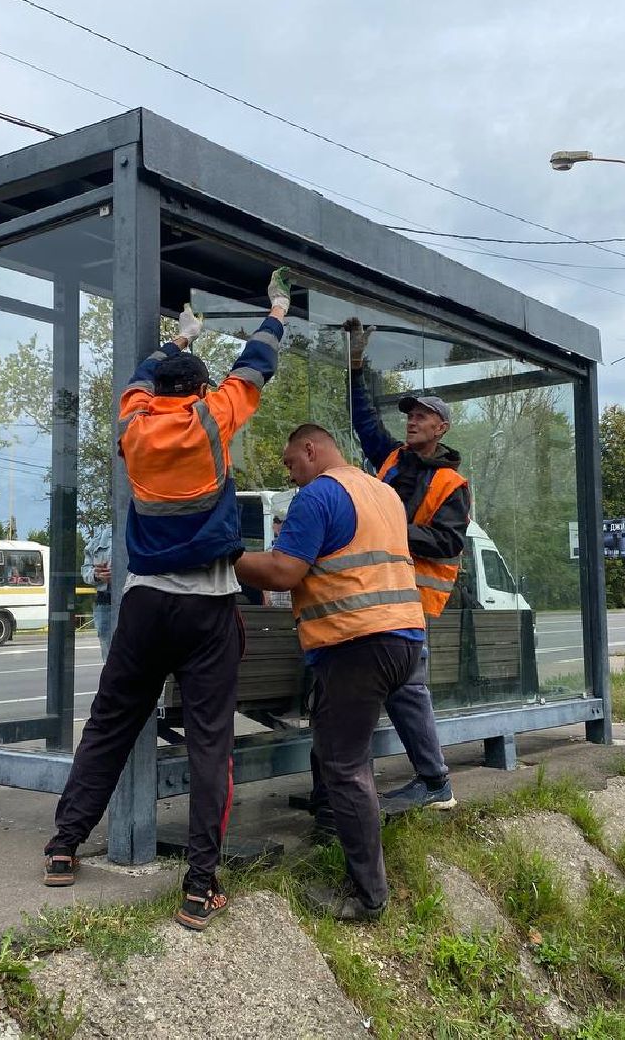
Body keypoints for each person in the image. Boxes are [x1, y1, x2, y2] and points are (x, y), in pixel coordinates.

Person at [43, 269, 293, 932]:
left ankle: (64, 845)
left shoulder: (133, 423)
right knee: (211, 743)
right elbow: (256, 363)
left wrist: (178, 340)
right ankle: (200, 887)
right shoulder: (215, 417)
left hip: (144, 604)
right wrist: (276, 309)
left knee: (110, 725)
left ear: (156, 393)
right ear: (202, 391)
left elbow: (139, 376)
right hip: (207, 605)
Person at [235, 424, 425, 921]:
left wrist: (226, 558)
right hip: (403, 639)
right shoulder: (382, 493)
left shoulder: (318, 496)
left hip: (356, 642)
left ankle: (367, 896)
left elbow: (283, 572)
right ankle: (332, 830)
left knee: (345, 766)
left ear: (310, 449)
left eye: (290, 462)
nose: (289, 473)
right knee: (337, 749)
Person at [345, 320, 469, 814]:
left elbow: (448, 542)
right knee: (391, 686)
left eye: (422, 416)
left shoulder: (451, 484)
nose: (412, 421)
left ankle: (434, 780)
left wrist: (392, 529)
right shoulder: (392, 458)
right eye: (411, 415)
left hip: (411, 601)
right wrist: (356, 366)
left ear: (441, 428)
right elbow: (363, 421)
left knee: (405, 687)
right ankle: (416, 780)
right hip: (374, 593)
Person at [82, 524, 114, 660]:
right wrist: (96, 575)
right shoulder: (101, 535)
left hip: (133, 601)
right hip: (105, 603)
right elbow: (85, 571)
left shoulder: (139, 529)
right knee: (110, 656)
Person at [262, 513, 292, 609]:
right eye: (277, 521)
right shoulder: (268, 552)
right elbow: (264, 578)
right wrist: (267, 598)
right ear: (273, 526)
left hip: (292, 602)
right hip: (274, 601)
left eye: (284, 521)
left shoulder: (297, 551)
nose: (280, 525)